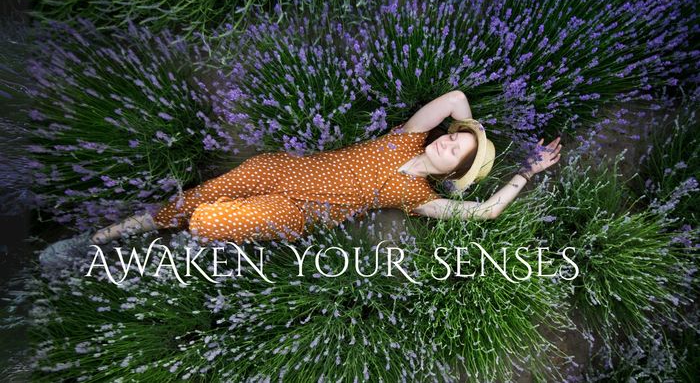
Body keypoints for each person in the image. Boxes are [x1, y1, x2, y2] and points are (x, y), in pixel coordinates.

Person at [40, 91, 561, 261]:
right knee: (183, 205)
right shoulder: (406, 136)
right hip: (275, 169)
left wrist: (523, 173)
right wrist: (478, 129)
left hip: (293, 213)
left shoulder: (417, 195)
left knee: (206, 221)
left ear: (455, 173)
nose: (449, 140)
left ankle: (160, 256)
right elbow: (453, 101)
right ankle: (97, 240)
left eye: (458, 151)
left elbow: (485, 211)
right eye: (453, 136)